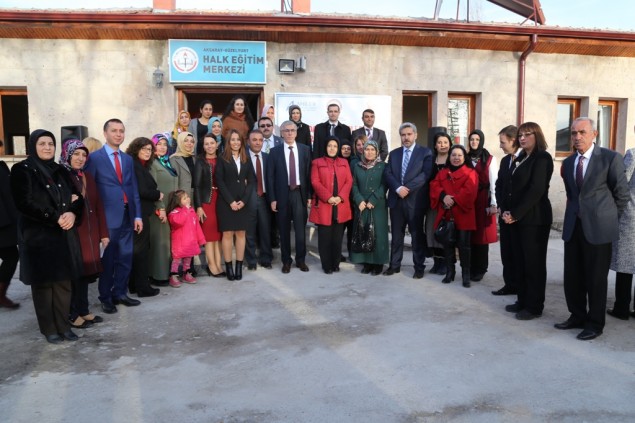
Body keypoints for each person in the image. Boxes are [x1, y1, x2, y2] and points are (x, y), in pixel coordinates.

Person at [555, 117, 629, 341]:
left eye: (582, 132)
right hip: (573, 227)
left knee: (596, 279)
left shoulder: (610, 158)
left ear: (594, 134)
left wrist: (607, 218)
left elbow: (622, 194)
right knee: (573, 276)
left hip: (599, 229)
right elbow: (572, 195)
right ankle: (577, 316)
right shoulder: (569, 162)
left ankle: (595, 324)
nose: (577, 137)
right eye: (574, 133)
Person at [10, 129, 84, 343]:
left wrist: (72, 213)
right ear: (33, 146)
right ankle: (49, 329)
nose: (47, 147)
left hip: (63, 236)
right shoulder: (22, 170)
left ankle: (63, 326)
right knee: (44, 286)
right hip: (38, 238)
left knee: (63, 284)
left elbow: (78, 197)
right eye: (42, 143)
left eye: (50, 144)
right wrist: (55, 217)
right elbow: (24, 203)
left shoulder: (61, 170)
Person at [85, 119, 143, 314]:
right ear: (105, 133)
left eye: (121, 131)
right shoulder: (95, 158)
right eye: (114, 131)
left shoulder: (127, 159)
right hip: (107, 219)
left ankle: (120, 293)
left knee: (126, 257)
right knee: (108, 260)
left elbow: (133, 187)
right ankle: (106, 297)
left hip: (128, 216)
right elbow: (90, 189)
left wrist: (138, 216)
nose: (118, 134)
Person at [500, 123, 553, 320]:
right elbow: (509, 186)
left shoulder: (542, 158)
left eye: (527, 134)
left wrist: (515, 213)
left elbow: (536, 190)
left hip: (535, 219)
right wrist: (507, 211)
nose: (522, 138)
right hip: (517, 219)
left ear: (537, 135)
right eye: (520, 135)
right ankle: (522, 301)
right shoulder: (521, 157)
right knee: (520, 262)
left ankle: (534, 306)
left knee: (533, 264)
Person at [59, 139, 109, 328]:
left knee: (85, 275)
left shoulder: (87, 176)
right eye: (76, 154)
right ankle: (72, 313)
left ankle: (83, 309)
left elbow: (98, 206)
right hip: (73, 233)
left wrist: (104, 233)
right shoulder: (61, 176)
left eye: (83, 155)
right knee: (74, 275)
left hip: (90, 233)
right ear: (67, 155)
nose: (80, 158)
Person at [383, 122, 433, 279]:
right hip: (397, 200)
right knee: (396, 236)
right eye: (403, 135)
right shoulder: (394, 153)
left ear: (415, 135)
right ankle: (394, 265)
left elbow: (425, 175)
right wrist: (398, 188)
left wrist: (407, 188)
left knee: (416, 236)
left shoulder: (425, 153)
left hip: (415, 201)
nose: (406, 137)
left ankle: (419, 267)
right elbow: (388, 173)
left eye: (409, 134)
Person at [266, 120, 312, 273]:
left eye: (292, 130)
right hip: (282, 195)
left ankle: (301, 260)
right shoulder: (275, 152)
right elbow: (270, 177)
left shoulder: (305, 150)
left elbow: (308, 174)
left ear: (296, 133)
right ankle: (286, 261)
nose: (290, 133)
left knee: (300, 231)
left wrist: (309, 195)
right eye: (286, 130)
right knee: (284, 230)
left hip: (299, 194)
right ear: (282, 133)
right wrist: (273, 199)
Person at [430, 144, 478, 287]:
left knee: (464, 246)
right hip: (447, 214)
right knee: (448, 245)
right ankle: (450, 272)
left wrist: (453, 200)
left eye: (459, 155)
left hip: (464, 214)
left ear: (464, 157)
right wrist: (443, 196)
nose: (456, 158)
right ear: (449, 157)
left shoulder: (471, 173)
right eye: (453, 155)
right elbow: (434, 185)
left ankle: (466, 275)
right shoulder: (442, 173)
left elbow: (470, 191)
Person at [309, 135, 353, 274]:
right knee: (325, 238)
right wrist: (328, 197)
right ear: (325, 147)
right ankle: (326, 265)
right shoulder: (317, 162)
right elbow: (315, 181)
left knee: (337, 238)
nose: (332, 148)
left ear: (338, 148)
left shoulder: (344, 162)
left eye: (335, 146)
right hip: (324, 205)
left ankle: (335, 263)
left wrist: (340, 197)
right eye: (329, 146)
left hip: (340, 205)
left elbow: (349, 181)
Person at [216, 129, 256, 281]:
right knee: (227, 234)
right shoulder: (222, 158)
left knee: (241, 234)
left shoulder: (246, 158)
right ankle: (229, 267)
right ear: (228, 142)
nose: (235, 142)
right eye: (232, 139)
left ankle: (239, 266)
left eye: (238, 139)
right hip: (226, 202)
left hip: (242, 203)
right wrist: (231, 201)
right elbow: (220, 181)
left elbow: (251, 181)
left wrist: (244, 201)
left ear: (242, 142)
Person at [126, 137, 162, 298]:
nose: (147, 152)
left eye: (149, 149)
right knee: (141, 251)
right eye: (144, 149)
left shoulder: (140, 165)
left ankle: (134, 284)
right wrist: (157, 194)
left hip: (140, 212)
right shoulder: (135, 165)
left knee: (138, 250)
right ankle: (143, 287)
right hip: (138, 213)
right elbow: (140, 191)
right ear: (136, 149)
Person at [350, 140, 389, 275]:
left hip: (377, 204)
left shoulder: (383, 166)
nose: (370, 152)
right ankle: (366, 263)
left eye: (373, 149)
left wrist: (374, 199)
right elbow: (354, 185)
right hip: (361, 205)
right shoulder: (357, 166)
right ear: (363, 151)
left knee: (378, 233)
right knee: (364, 231)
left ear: (377, 152)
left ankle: (378, 263)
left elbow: (385, 184)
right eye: (367, 149)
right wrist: (358, 199)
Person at [466, 129, 499, 282]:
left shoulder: (489, 159)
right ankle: (470, 267)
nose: (474, 142)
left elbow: (494, 182)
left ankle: (481, 268)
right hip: (468, 200)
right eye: (472, 139)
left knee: (481, 235)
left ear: (482, 141)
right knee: (469, 235)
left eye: (477, 139)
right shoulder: (465, 158)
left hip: (483, 199)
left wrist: (494, 202)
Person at [492, 125, 521, 296]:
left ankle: (520, 287)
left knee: (518, 253)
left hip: (519, 216)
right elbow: (499, 185)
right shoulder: (505, 161)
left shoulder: (525, 159)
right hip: (504, 215)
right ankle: (509, 284)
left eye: (503, 142)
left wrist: (514, 213)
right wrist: (501, 207)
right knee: (506, 253)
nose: (500, 146)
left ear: (513, 140)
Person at [608, 145, 635, 320]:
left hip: (630, 216)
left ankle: (621, 308)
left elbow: (622, 183)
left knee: (625, 264)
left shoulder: (633, 154)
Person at [148, 133, 179, 286]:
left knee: (168, 242)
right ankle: (158, 276)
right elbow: (153, 187)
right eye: (159, 144)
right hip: (159, 209)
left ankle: (167, 273)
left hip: (170, 207)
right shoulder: (152, 164)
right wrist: (160, 208)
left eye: (165, 144)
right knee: (161, 242)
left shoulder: (166, 163)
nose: (162, 147)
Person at [193, 132, 225, 277]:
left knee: (219, 236)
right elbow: (197, 186)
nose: (210, 146)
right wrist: (199, 206)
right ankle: (212, 266)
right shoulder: (200, 161)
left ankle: (219, 265)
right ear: (203, 146)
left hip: (222, 200)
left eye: (212, 143)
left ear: (217, 144)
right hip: (207, 201)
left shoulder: (222, 159)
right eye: (206, 144)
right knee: (210, 237)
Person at [245, 129, 274, 270]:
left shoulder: (268, 157)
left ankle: (266, 258)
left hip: (264, 199)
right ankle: (251, 261)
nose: (257, 143)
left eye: (260, 140)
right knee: (249, 232)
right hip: (248, 199)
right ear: (248, 141)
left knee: (265, 230)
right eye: (254, 140)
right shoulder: (243, 158)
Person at [166, 190, 206, 287]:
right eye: (184, 198)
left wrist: (201, 239)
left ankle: (186, 274)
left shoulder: (191, 211)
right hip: (179, 242)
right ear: (177, 202)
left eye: (187, 197)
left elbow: (197, 226)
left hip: (190, 241)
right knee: (176, 260)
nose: (188, 199)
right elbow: (179, 222)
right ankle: (173, 276)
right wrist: (185, 210)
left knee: (188, 258)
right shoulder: (174, 213)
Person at [425, 132, 451, 275]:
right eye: (439, 142)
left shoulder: (453, 160)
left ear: (450, 144)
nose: (442, 145)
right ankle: (436, 262)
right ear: (435, 145)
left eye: (445, 142)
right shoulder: (430, 160)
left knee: (444, 232)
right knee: (431, 231)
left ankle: (446, 264)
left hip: (447, 204)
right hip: (432, 202)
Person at [0, 159, 20, 308]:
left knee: (11, 256)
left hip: (7, 221)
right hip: (2, 223)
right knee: (11, 256)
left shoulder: (1, 165)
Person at [170, 131, 196, 199]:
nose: (189, 143)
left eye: (192, 141)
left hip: (195, 195)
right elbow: (173, 182)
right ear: (180, 142)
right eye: (186, 141)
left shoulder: (195, 158)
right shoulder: (173, 159)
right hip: (181, 197)